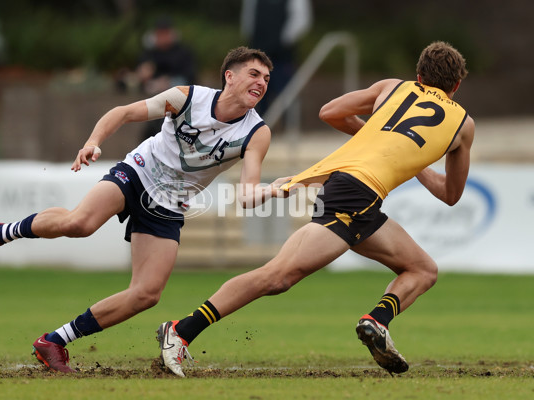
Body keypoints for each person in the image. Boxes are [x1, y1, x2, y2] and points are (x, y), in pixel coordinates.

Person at [0, 46, 285, 373]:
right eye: (253, 74)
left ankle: (53, 341)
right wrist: (93, 142)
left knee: (146, 294)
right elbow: (124, 112)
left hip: (168, 202)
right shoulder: (187, 98)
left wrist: (272, 190)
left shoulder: (257, 132)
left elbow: (246, 195)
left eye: (267, 78)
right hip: (139, 172)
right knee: (80, 223)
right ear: (229, 76)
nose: (261, 83)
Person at [157, 41, 474, 377]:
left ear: (419, 75)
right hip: (354, 196)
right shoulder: (463, 125)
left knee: (423, 269)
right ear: (456, 86)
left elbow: (330, 112)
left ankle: (376, 322)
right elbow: (450, 194)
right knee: (277, 277)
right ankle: (180, 331)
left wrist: (382, 135)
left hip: (352, 193)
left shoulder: (392, 88)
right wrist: (416, 162)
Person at [115, 15, 196, 141]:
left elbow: (190, 77)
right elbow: (140, 75)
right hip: (152, 98)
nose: (162, 38)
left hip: (177, 96)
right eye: (159, 34)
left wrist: (166, 82)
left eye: (165, 34)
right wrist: (141, 74)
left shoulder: (183, 53)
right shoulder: (149, 54)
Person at [240, 0, 312, 116]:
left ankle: (290, 128)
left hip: (282, 55)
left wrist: (283, 41)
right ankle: (259, 127)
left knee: (286, 93)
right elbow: (248, 20)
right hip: (259, 52)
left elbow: (301, 20)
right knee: (257, 94)